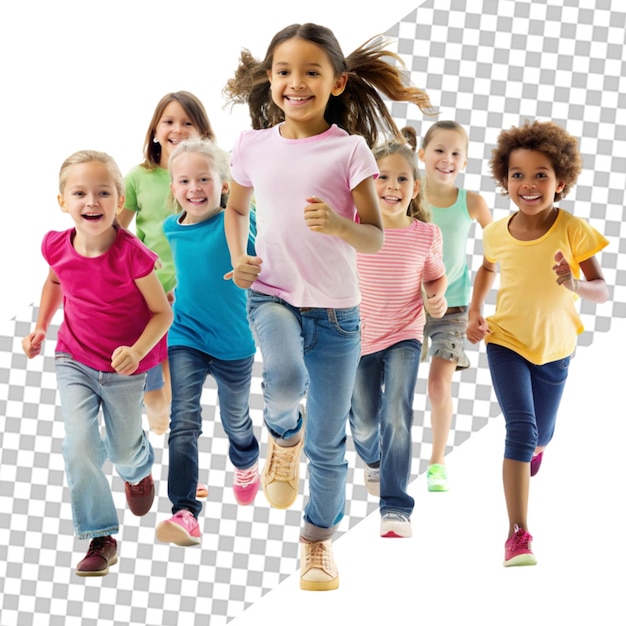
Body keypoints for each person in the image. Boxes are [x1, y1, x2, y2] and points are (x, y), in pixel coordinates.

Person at [223, 22, 433, 591]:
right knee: (285, 380)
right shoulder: (252, 147)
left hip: (340, 314)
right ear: (269, 80)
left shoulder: (350, 150)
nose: (297, 83)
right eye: (284, 72)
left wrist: (341, 224)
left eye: (311, 72)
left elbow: (373, 237)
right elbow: (237, 209)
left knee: (331, 442)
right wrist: (240, 257)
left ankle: (316, 543)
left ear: (337, 83)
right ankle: (281, 437)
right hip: (272, 292)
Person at [22, 150, 173, 576]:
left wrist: (137, 352)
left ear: (119, 199)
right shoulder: (56, 244)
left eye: (103, 192)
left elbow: (163, 314)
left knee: (125, 446)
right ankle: (101, 536)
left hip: (124, 370)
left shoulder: (132, 254)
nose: (92, 201)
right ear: (62, 201)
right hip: (74, 359)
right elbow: (55, 280)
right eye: (81, 193)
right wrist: (40, 327)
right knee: (80, 443)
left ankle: (137, 469)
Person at [467, 119, 609, 566]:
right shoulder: (495, 232)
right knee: (522, 431)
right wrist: (475, 312)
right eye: (517, 175)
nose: (528, 185)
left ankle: (539, 448)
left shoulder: (572, 229)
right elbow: (488, 268)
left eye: (540, 175)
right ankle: (518, 533)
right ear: (504, 180)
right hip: (506, 340)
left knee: (541, 434)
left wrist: (574, 284)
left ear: (561, 181)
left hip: (556, 347)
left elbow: (602, 289)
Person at [155, 138, 260, 547]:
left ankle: (246, 461)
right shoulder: (170, 228)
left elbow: (255, 261)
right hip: (186, 335)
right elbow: (183, 273)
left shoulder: (237, 221)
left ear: (224, 184)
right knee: (184, 419)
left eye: (204, 178)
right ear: (173, 188)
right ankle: (185, 511)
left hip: (235, 340)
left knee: (235, 421)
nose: (194, 188)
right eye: (184, 181)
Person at [348, 139, 447, 539]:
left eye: (401, 178)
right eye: (382, 177)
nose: (391, 186)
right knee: (366, 422)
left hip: (405, 334)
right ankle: (372, 460)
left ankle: (395, 507)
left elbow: (435, 276)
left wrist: (436, 296)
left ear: (415, 188)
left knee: (397, 414)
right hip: (356, 337)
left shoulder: (426, 234)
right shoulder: (353, 224)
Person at [117, 91, 215, 443]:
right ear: (155, 130)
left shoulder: (212, 175)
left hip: (195, 293)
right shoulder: (138, 177)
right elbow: (115, 233)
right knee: (155, 393)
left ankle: (180, 452)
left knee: (180, 384)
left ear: (202, 131)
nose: (178, 129)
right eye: (169, 122)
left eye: (188, 123)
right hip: (151, 294)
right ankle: (156, 422)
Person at [414, 121, 491, 492]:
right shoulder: (409, 196)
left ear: (464, 161)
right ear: (422, 155)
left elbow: (500, 248)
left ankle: (437, 461)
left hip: (454, 307)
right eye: (439, 150)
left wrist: (481, 305)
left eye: (456, 153)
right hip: (406, 304)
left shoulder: (472, 202)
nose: (447, 159)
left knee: (438, 384)